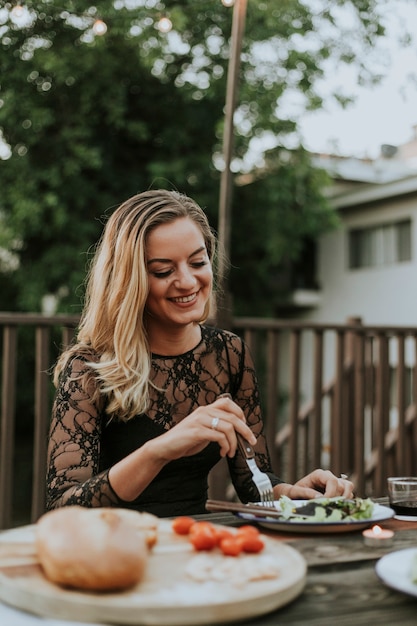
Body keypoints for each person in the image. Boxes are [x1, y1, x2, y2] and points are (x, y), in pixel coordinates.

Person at [46, 189, 354, 517]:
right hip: (119, 552)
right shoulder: (89, 367)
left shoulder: (229, 353)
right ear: (130, 280)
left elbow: (254, 483)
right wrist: (158, 451)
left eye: (197, 262)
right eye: (164, 271)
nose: (188, 281)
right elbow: (62, 506)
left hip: (195, 547)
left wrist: (292, 493)